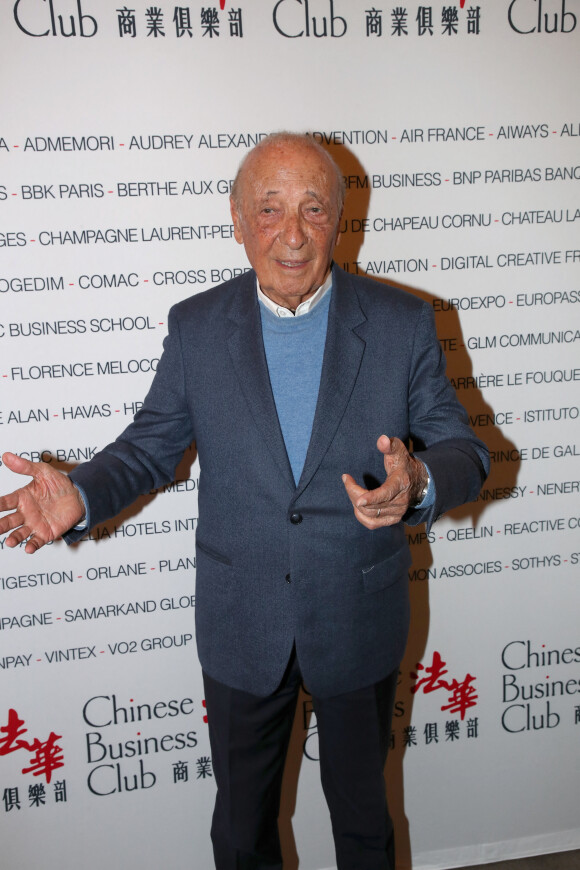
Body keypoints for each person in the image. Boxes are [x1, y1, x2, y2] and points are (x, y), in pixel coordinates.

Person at [0, 132, 488, 870]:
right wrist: (84, 497)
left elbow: (466, 451)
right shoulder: (197, 327)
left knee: (364, 826)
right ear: (236, 217)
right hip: (240, 619)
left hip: (357, 613)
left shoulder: (400, 323)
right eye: (269, 209)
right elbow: (149, 447)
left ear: (338, 218)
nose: (292, 234)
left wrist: (417, 483)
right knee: (240, 832)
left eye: (312, 208)